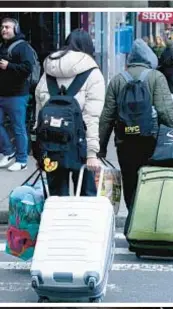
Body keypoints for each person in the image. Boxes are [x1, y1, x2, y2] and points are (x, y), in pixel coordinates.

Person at [98, 39, 173, 211]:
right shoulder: (156, 77)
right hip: (151, 140)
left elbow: (107, 117)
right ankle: (147, 219)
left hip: (124, 141)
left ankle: (132, 218)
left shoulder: (117, 80)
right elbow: (165, 112)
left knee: (130, 180)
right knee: (150, 180)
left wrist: (101, 147)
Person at [35, 29, 105, 196]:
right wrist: (92, 153)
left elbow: (39, 114)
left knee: (57, 197)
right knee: (86, 196)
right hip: (80, 146)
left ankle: (58, 223)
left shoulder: (48, 71)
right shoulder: (93, 74)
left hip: (51, 145)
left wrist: (39, 152)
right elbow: (91, 117)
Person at [0, 17, 34, 171]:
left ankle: (22, 160)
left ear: (16, 29)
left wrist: (9, 66)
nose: (4, 30)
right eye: (2, 27)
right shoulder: (2, 46)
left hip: (17, 95)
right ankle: (8, 151)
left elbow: (27, 68)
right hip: (2, 93)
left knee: (18, 127)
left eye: (7, 27)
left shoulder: (23, 47)